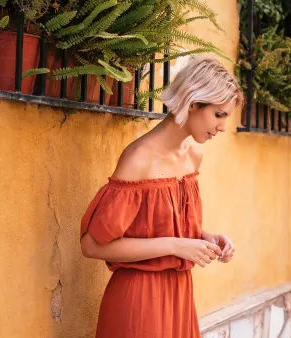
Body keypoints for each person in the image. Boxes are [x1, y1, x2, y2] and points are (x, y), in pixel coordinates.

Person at [79, 55, 244, 338]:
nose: (222, 127)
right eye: (219, 115)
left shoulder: (194, 156)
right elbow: (92, 246)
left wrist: (203, 238)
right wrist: (177, 245)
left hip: (179, 296)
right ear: (193, 103)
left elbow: (157, 225)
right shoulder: (138, 159)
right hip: (139, 301)